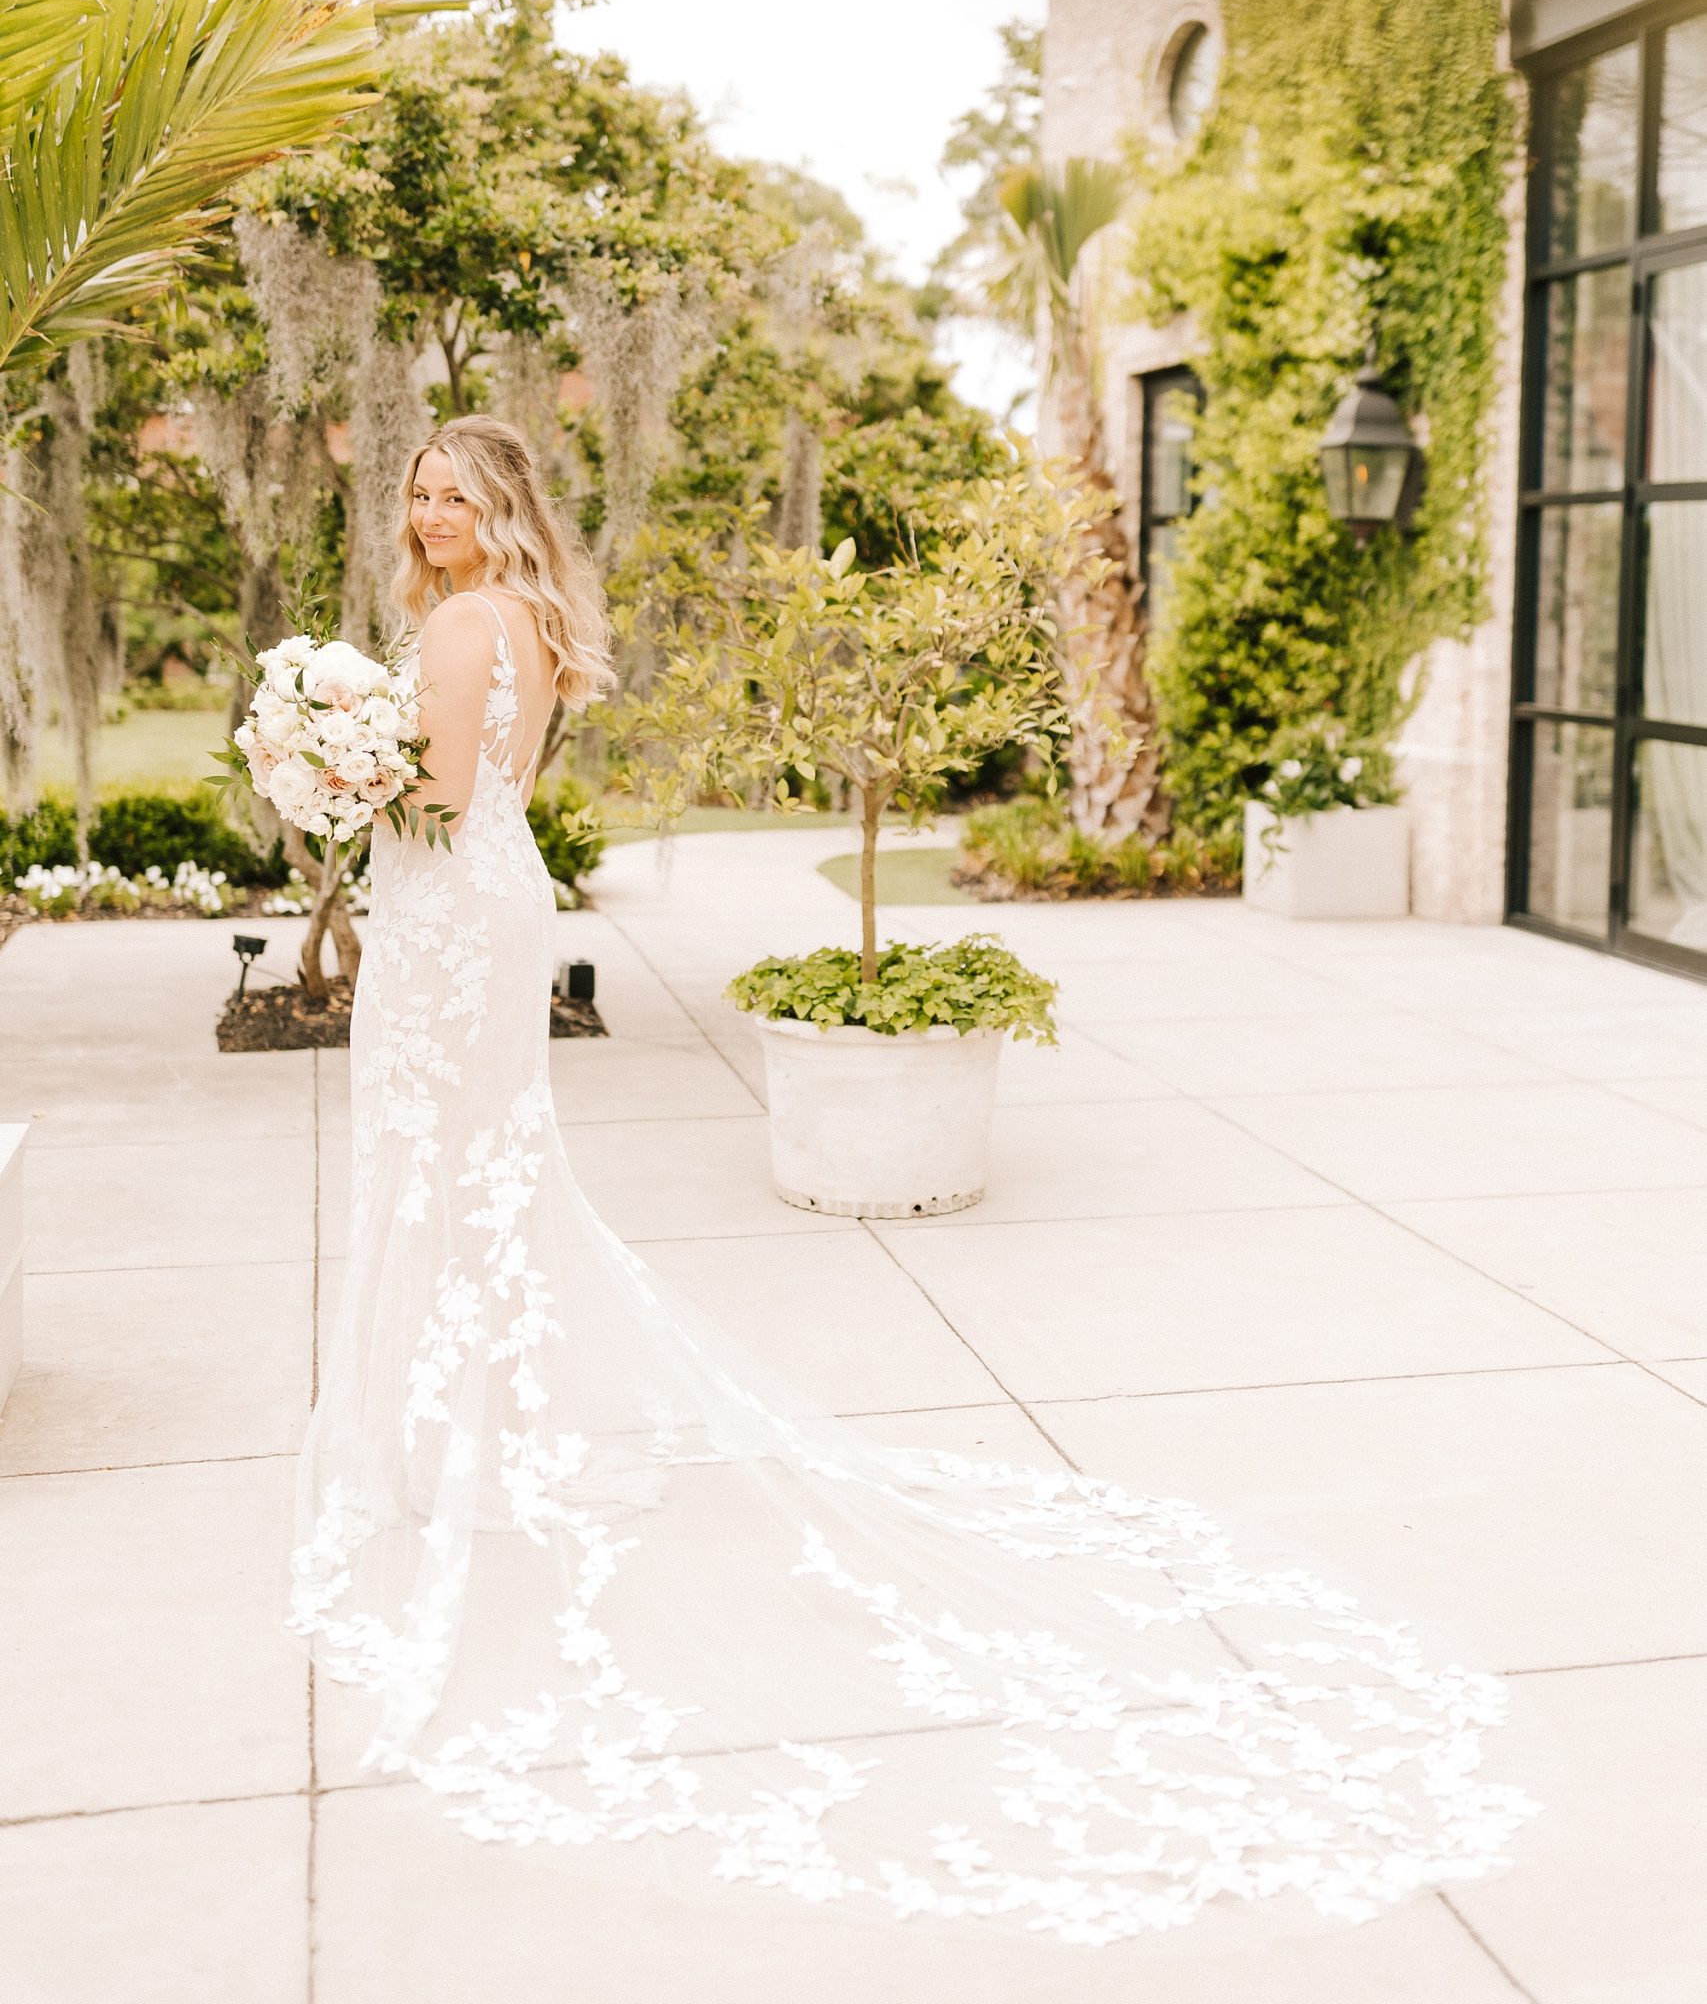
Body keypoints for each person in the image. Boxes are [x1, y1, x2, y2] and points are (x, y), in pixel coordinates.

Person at [292, 413, 1530, 1945]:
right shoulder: (528, 618)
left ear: (499, 510)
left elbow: (431, 789)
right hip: (490, 897)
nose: (429, 515)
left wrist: (325, 780)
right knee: (485, 1164)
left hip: (447, 908)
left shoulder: (470, 623)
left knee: (452, 1165)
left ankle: (459, 1433)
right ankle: (490, 1417)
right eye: (419, 494)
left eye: (453, 495)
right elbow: (490, 785)